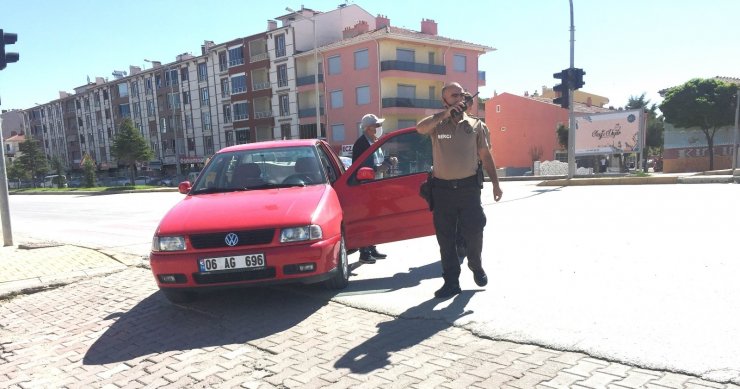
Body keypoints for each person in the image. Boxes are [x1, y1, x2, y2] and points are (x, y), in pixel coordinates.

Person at [416, 82, 503, 299]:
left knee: (475, 232)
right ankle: (451, 282)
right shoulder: (438, 125)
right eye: (454, 95)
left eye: (461, 95)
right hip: (443, 191)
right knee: (446, 240)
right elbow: (420, 128)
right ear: (445, 100)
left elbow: (485, 155)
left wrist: (495, 183)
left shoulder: (475, 125)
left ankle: (475, 264)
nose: (459, 98)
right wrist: (444, 114)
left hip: (468, 189)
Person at [352, 113, 398, 264]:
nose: (379, 128)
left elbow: (378, 164)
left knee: (374, 218)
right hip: (365, 187)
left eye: (379, 126)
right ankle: (364, 252)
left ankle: (371, 247)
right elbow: (364, 167)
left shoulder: (373, 141)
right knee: (366, 219)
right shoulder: (362, 144)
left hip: (375, 186)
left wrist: (388, 161)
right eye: (376, 126)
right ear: (367, 128)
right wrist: (381, 167)